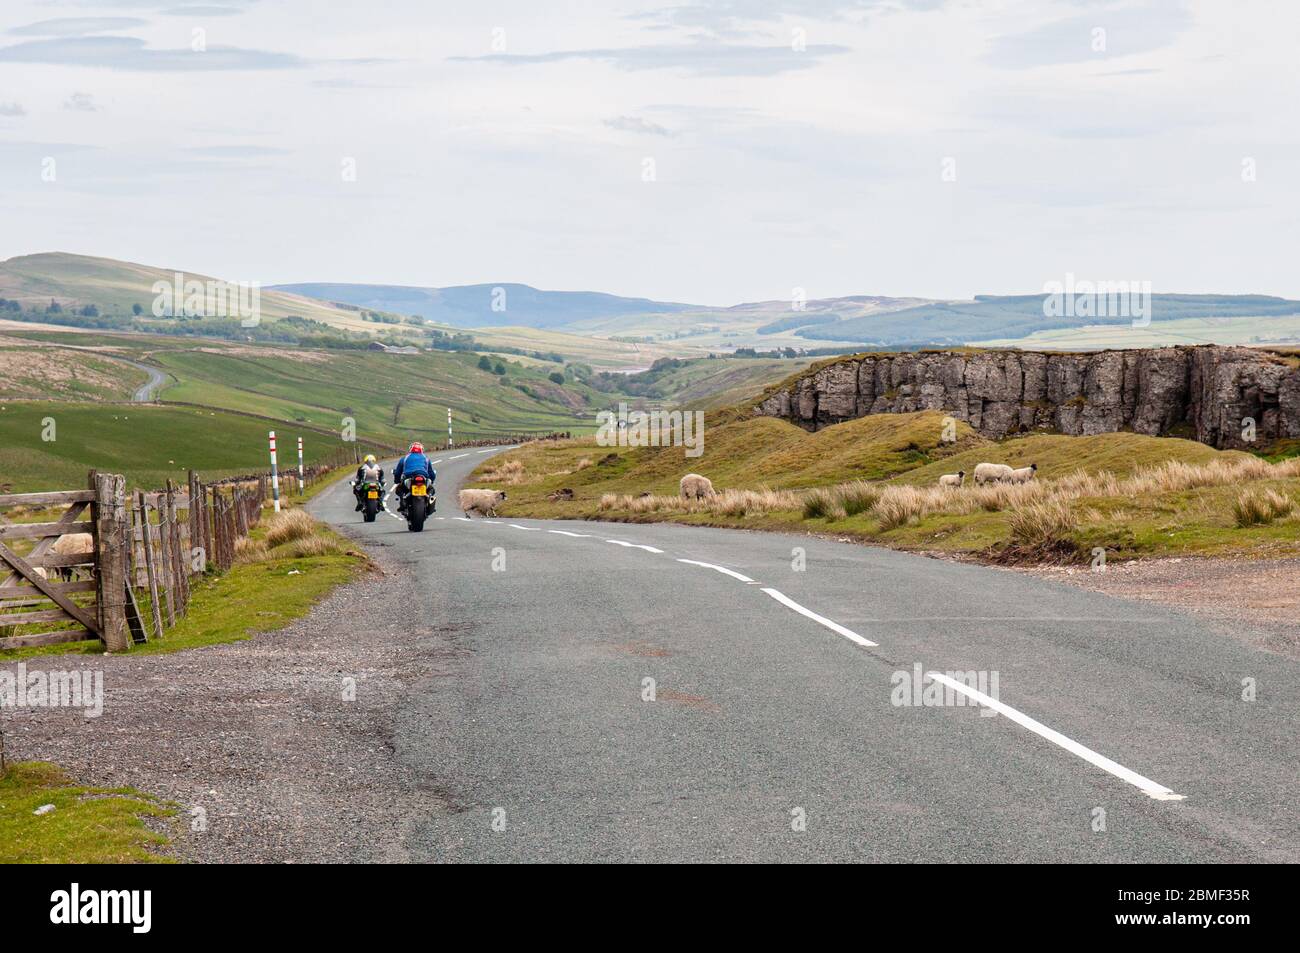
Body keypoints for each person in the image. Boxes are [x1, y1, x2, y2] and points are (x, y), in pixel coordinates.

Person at [393, 442, 436, 513]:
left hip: (409, 477)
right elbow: (431, 473)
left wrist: (397, 481)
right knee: (431, 489)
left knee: (399, 488)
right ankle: (429, 501)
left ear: (411, 449)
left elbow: (398, 472)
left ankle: (402, 502)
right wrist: (432, 480)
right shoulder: (426, 459)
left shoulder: (404, 458)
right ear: (421, 450)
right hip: (423, 476)